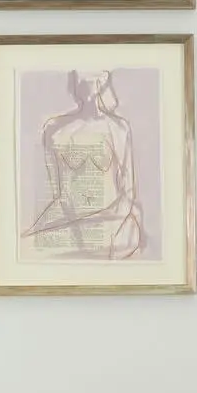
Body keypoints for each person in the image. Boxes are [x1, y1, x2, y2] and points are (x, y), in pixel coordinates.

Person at [24, 71, 144, 260]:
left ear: (102, 81)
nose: (85, 83)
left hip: (111, 222)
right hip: (69, 222)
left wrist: (110, 228)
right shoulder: (54, 129)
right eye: (80, 77)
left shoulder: (118, 128)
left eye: (92, 76)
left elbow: (128, 191)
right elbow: (57, 194)